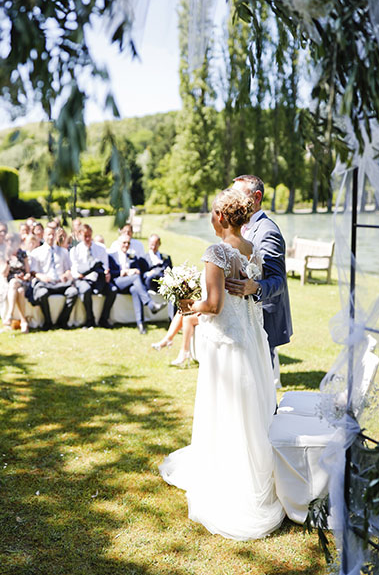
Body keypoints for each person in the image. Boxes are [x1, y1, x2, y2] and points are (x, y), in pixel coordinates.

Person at [159, 188, 285, 540]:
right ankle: (251, 473)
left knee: (225, 409)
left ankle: (226, 481)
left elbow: (213, 306)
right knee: (248, 411)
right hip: (250, 344)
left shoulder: (216, 252)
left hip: (226, 346)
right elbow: (244, 295)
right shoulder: (251, 250)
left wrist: (188, 305)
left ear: (219, 217)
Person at [225, 175, 292, 386]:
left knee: (263, 384)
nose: (233, 201)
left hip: (263, 317)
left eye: (238, 195)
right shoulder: (241, 228)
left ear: (257, 197)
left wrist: (255, 288)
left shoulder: (267, 231)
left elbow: (278, 280)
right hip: (243, 315)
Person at [109, 234, 164, 334]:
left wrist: (134, 270)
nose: (126, 245)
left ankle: (140, 324)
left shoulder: (131, 256)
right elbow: (110, 273)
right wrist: (122, 272)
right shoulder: (112, 256)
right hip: (118, 282)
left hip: (131, 283)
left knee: (135, 289)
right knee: (135, 278)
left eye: (128, 243)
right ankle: (151, 304)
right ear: (119, 243)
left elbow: (138, 270)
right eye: (124, 243)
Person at [29, 225, 78, 330]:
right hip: (45, 283)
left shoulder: (63, 252)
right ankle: (48, 322)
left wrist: (65, 274)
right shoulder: (36, 252)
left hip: (61, 282)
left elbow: (69, 269)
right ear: (43, 236)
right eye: (48, 235)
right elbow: (33, 271)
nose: (51, 237)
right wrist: (41, 276)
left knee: (73, 292)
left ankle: (62, 321)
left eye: (53, 235)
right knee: (42, 294)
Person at [70, 223, 116, 328]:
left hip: (98, 279)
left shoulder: (101, 248)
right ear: (79, 235)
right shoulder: (75, 250)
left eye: (89, 236)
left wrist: (106, 273)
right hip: (83, 279)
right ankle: (90, 319)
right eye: (85, 236)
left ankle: (104, 319)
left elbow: (105, 266)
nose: (87, 238)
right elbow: (74, 269)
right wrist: (80, 274)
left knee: (112, 290)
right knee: (86, 290)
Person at [0, 233, 31, 333]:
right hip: (11, 282)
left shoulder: (22, 254)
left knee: (16, 284)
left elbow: (28, 272)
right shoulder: (3, 254)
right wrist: (7, 261)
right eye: (8, 241)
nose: (11, 243)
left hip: (23, 281)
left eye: (13, 241)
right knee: (19, 290)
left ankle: (10, 315)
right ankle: (24, 321)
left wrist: (24, 277)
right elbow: (3, 274)